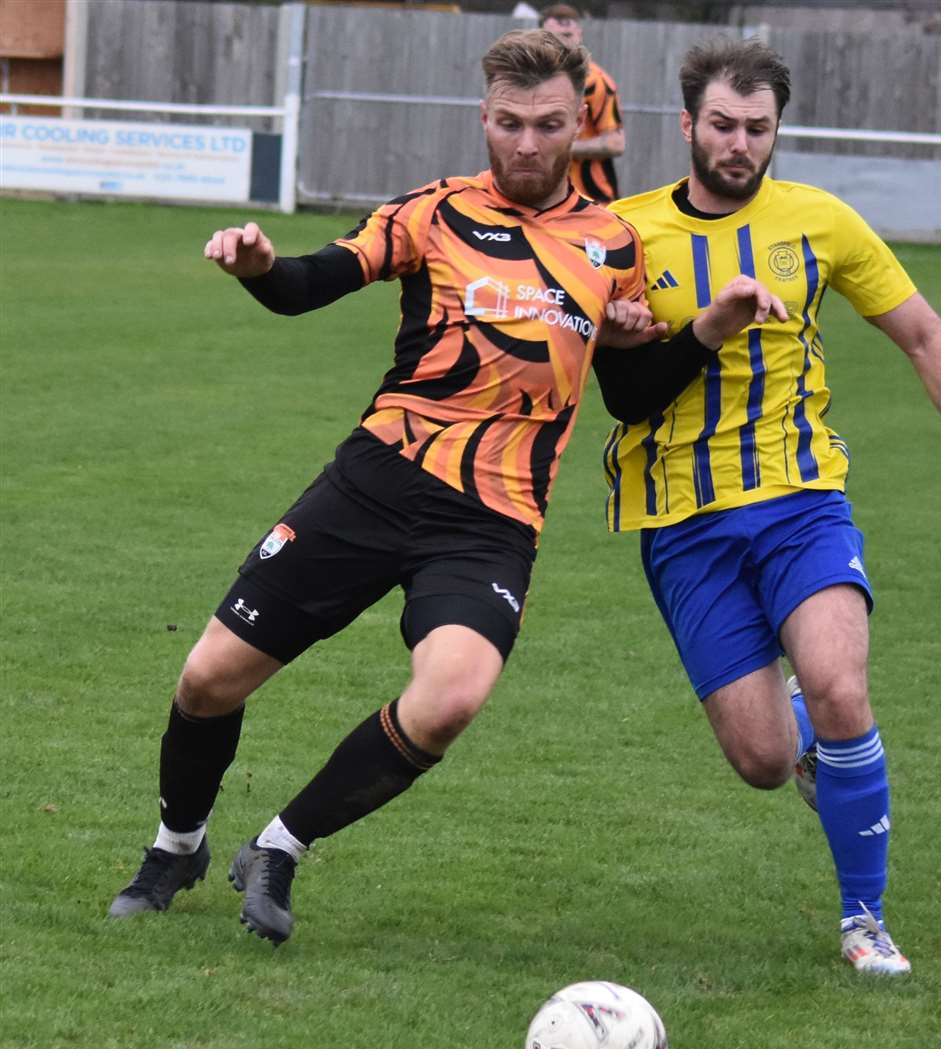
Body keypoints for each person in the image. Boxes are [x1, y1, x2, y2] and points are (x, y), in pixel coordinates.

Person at [107, 28, 780, 946]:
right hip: (375, 482)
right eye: (509, 124)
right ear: (484, 117)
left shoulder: (611, 241)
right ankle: (176, 845)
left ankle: (280, 845)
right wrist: (262, 266)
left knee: (453, 693)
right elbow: (312, 282)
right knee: (209, 678)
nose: (528, 145)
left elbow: (627, 392)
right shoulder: (430, 213)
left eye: (548, 125)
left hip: (493, 519)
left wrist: (696, 327)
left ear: (579, 121)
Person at [592, 37, 941, 975]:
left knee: (841, 684)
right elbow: (608, 378)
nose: (739, 144)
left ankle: (862, 921)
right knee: (759, 760)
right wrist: (622, 333)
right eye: (722, 124)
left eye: (758, 128)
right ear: (686, 125)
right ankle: (797, 735)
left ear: (775, 130)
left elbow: (920, 332)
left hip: (802, 500)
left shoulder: (820, 223)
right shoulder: (625, 235)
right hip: (682, 521)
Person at [540, 4, 624, 204]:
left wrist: (559, 147)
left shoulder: (595, 82)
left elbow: (615, 143)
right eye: (552, 38)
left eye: (567, 35)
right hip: (547, 198)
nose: (561, 44)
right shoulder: (534, 81)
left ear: (580, 35)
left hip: (592, 199)